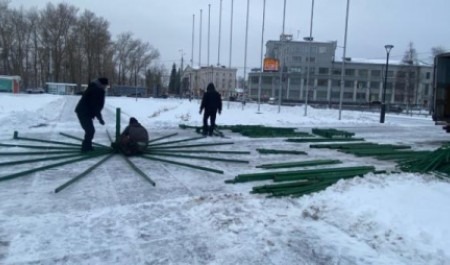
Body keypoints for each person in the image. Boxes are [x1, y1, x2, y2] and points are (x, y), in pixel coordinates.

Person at [75, 77, 108, 152]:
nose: (105, 87)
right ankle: (85, 148)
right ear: (102, 84)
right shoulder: (97, 90)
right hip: (83, 112)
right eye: (105, 85)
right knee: (90, 130)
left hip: (85, 112)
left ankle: (87, 146)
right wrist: (100, 119)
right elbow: (95, 106)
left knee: (90, 130)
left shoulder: (94, 88)